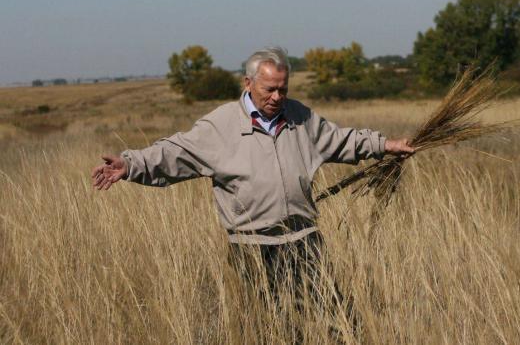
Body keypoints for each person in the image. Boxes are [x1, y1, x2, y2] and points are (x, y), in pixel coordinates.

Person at [91, 46, 414, 315]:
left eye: (283, 89)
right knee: (270, 326)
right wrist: (130, 164)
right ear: (248, 83)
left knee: (333, 319)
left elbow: (342, 140)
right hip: (252, 248)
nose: (277, 97)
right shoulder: (220, 125)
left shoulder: (299, 116)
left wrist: (386, 145)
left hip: (304, 240)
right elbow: (174, 153)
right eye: (269, 89)